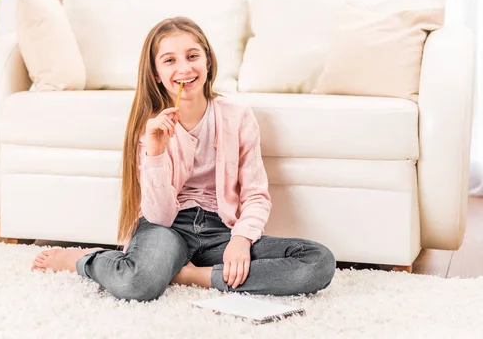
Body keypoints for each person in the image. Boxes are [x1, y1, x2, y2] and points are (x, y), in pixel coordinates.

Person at [32, 17, 336, 301]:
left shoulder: (238, 116)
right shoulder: (149, 127)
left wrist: (241, 240)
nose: (184, 69)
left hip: (222, 229)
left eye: (192, 56)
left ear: (207, 60)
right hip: (168, 229)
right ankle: (84, 259)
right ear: (156, 73)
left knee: (318, 262)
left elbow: (256, 193)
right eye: (170, 60)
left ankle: (191, 276)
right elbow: (159, 216)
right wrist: (156, 151)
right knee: (138, 283)